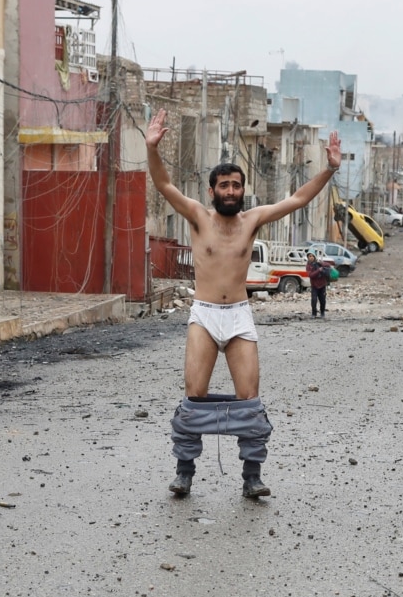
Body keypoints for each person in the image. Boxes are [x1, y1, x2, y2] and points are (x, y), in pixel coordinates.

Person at [145, 108, 341, 498]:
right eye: (224, 186)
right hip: (204, 315)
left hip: (238, 315)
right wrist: (152, 148)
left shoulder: (252, 220)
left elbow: (299, 198)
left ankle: (252, 475)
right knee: (194, 397)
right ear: (212, 190)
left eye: (236, 185)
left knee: (249, 400)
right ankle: (184, 470)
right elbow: (164, 184)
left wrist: (329, 170)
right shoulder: (198, 217)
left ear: (242, 189)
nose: (230, 191)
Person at [305, 252, 330, 318]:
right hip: (314, 286)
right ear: (308, 257)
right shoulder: (308, 266)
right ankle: (314, 313)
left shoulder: (319, 263)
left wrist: (322, 263)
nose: (311, 257)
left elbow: (328, 265)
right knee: (314, 300)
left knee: (323, 300)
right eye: (310, 256)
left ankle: (322, 313)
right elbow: (311, 275)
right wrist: (319, 270)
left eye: (312, 256)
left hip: (322, 285)